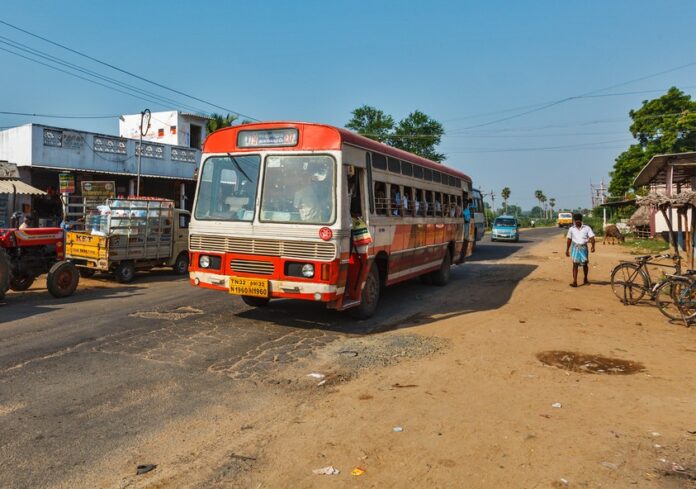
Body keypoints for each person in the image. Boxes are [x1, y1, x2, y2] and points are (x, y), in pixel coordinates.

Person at [565, 213, 595, 287]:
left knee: (585, 264)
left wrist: (593, 246)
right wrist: (567, 250)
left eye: (579, 220)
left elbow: (592, 238)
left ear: (581, 220)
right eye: (576, 220)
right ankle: (575, 281)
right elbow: (569, 239)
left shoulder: (587, 228)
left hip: (583, 248)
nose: (577, 222)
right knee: (575, 264)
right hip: (575, 248)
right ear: (574, 221)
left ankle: (585, 278)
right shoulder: (571, 229)